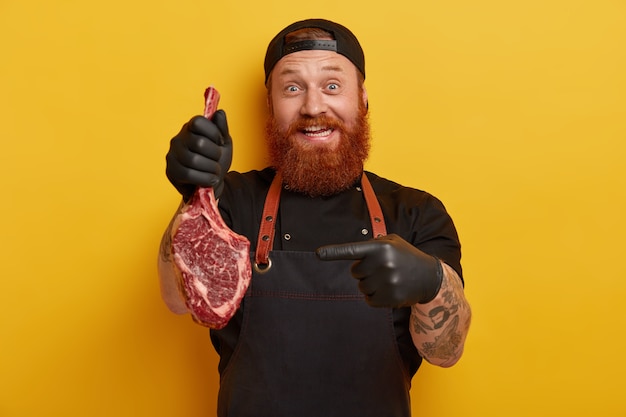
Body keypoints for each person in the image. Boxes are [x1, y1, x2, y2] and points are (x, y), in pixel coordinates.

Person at [158, 18, 471, 417]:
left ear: (362, 98)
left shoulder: (415, 212)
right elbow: (176, 298)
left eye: (332, 85)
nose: (313, 106)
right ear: (271, 103)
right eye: (292, 88)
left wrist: (431, 282)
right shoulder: (234, 200)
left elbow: (448, 352)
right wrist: (197, 196)